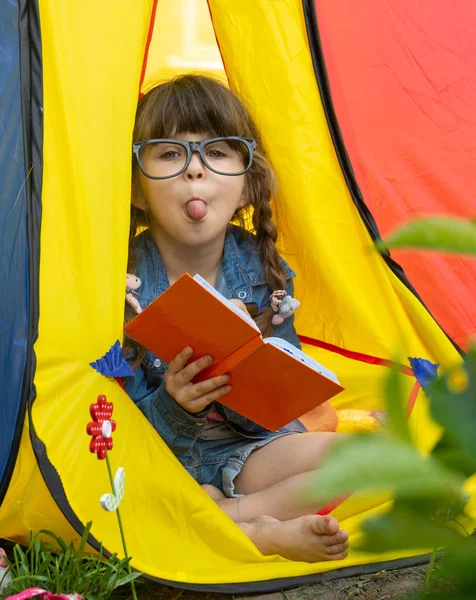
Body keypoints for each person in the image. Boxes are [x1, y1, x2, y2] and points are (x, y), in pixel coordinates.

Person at [123, 74, 349, 563]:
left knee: (363, 459)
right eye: (169, 153)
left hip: (249, 453)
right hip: (165, 461)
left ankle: (231, 517)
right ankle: (260, 531)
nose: (194, 172)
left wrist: (250, 373)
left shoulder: (264, 272)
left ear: (247, 184)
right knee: (124, 496)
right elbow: (120, 432)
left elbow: (282, 400)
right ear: (138, 190)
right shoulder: (124, 284)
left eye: (216, 153)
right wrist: (176, 404)